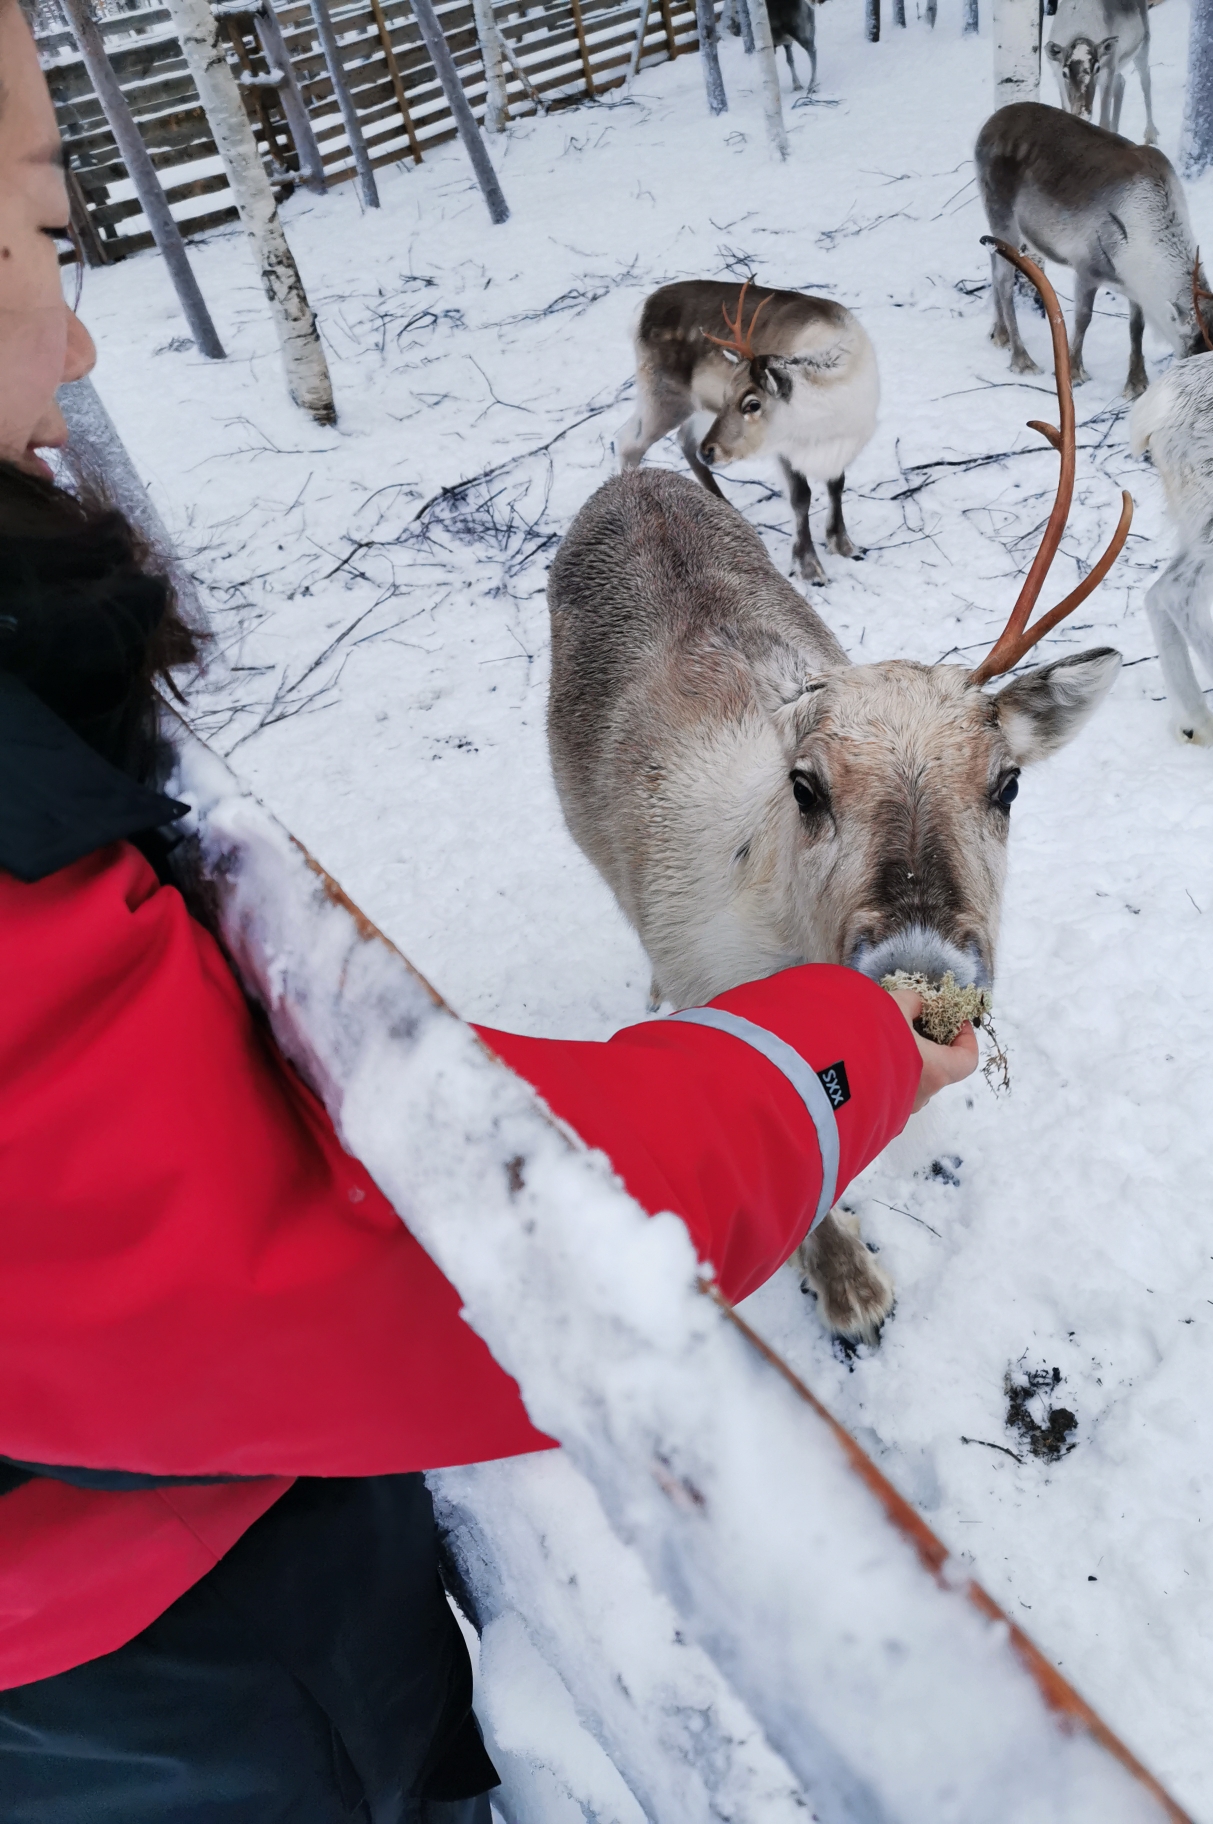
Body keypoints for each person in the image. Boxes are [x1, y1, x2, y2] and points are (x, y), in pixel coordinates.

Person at [0, 5, 978, 1818]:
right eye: (51, 233)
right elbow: (362, 1255)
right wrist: (834, 1059)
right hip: (160, 1658)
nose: (83, 328)